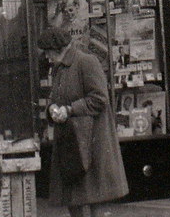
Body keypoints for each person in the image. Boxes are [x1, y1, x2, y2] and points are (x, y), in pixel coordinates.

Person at [39, 28, 128, 217]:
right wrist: (52, 109)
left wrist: (70, 110)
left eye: (48, 51)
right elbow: (55, 97)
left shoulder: (86, 62)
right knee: (73, 199)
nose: (47, 56)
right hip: (71, 142)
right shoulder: (59, 69)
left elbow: (100, 98)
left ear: (58, 48)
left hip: (91, 140)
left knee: (94, 198)